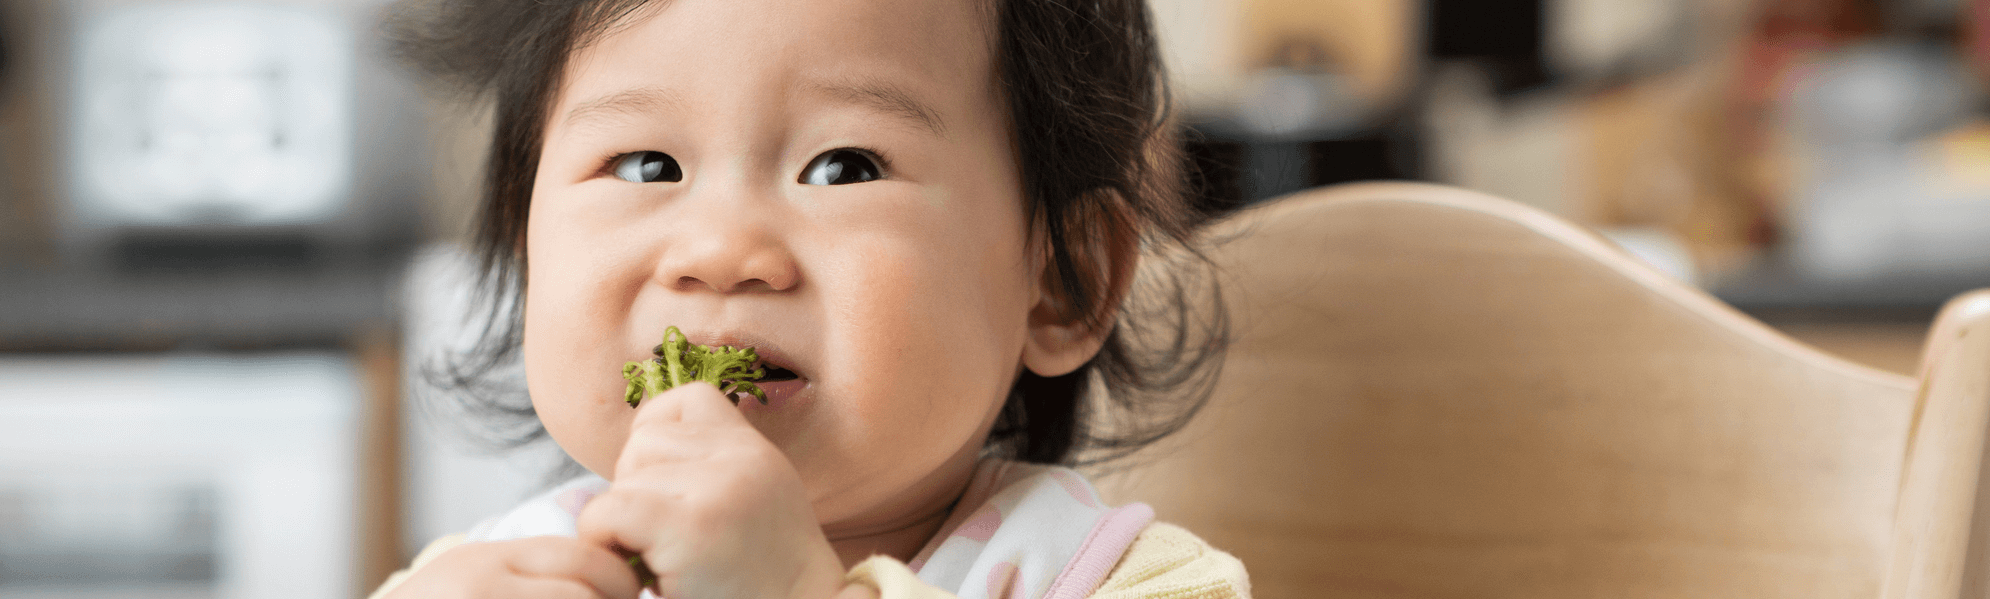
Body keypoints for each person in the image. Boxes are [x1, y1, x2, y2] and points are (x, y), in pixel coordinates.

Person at [375, 0, 1242, 596]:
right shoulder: (484, 570)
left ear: (1061, 283)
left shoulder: (1117, 577)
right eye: (647, 165)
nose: (720, 252)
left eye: (844, 167)